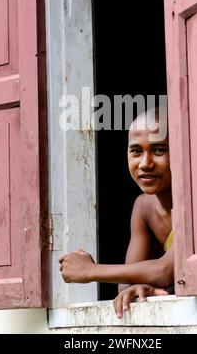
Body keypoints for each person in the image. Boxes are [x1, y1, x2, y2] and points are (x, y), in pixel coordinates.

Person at [59, 106, 174, 318]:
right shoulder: (143, 207)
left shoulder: (196, 204)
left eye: (159, 150)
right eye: (136, 151)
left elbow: (165, 270)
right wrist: (137, 288)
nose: (145, 163)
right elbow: (125, 284)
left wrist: (90, 271)